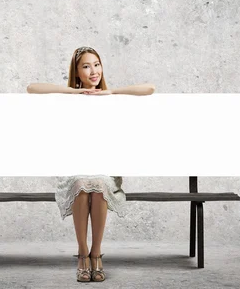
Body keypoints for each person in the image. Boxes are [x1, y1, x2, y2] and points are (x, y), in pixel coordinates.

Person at [27, 46, 155, 282]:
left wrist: (111, 91)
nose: (93, 70)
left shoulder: (110, 97)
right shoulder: (70, 99)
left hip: (104, 170)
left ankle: (96, 253)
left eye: (96, 64)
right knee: (82, 182)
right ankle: (83, 254)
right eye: (86, 66)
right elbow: (32, 88)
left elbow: (150, 89)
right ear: (77, 72)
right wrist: (72, 92)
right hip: (75, 170)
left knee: (96, 183)